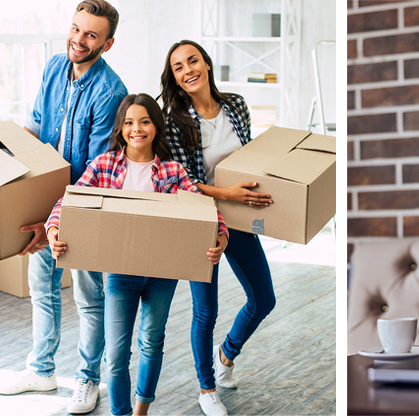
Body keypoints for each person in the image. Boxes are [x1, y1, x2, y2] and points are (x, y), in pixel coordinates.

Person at [45, 93, 230, 416]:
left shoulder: (172, 171)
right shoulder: (104, 165)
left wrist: (221, 238)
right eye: (129, 122)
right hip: (121, 272)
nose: (137, 129)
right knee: (116, 355)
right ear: (121, 128)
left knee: (151, 343)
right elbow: (66, 202)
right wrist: (53, 231)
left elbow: (209, 212)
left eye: (144, 121)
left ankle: (142, 410)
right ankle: (121, 412)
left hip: (163, 274)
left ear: (156, 127)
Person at [0, 1, 127, 413]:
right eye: (75, 29)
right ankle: (42, 370)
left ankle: (89, 380)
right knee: (43, 289)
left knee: (89, 297)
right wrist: (10, 153)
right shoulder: (54, 66)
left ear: (107, 43)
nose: (78, 40)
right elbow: (36, 126)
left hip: (85, 207)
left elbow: (92, 172)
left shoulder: (111, 92)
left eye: (91, 35)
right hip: (45, 205)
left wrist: (52, 221)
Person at [160, 40, 276, 416]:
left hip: (239, 219)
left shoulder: (236, 105)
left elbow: (250, 155)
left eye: (192, 60)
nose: (187, 70)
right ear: (175, 78)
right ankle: (206, 388)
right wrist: (229, 193)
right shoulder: (173, 121)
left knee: (264, 299)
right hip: (201, 219)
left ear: (207, 64)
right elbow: (184, 181)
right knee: (205, 310)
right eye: (178, 67)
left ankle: (226, 355)